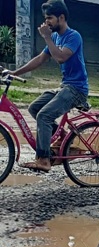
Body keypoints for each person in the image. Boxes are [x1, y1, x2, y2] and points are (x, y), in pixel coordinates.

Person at [7, 0, 88, 172]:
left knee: (44, 116)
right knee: (35, 108)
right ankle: (64, 138)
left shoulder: (73, 36)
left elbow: (60, 57)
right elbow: (40, 59)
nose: (47, 22)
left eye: (50, 18)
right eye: (46, 18)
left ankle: (43, 159)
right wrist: (14, 73)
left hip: (77, 89)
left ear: (61, 17)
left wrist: (46, 37)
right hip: (65, 86)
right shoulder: (57, 37)